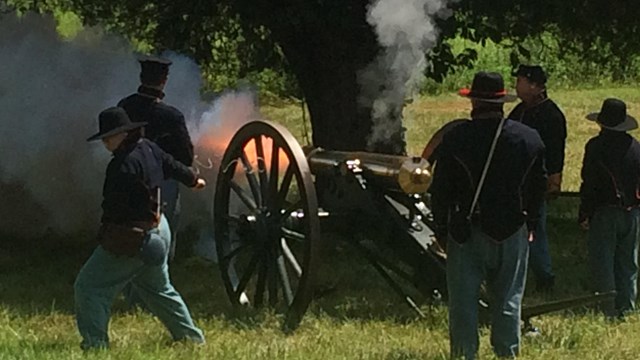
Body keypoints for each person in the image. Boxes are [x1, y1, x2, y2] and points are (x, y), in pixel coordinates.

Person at [429, 72, 547, 359]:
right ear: (501, 102)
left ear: (474, 102)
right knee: (509, 301)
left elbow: (441, 190)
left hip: (468, 233)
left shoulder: (455, 139)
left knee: (463, 306)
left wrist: (441, 230)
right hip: (513, 230)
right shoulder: (529, 139)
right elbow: (537, 188)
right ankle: (507, 354)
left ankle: (465, 355)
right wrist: (531, 223)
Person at [74, 107, 206, 350]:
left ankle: (95, 346)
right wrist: (192, 179)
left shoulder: (122, 166)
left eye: (108, 137)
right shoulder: (148, 147)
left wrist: (106, 236)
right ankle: (192, 340)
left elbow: (114, 209)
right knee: (159, 289)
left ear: (123, 134)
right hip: (159, 229)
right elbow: (171, 164)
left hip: (134, 238)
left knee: (89, 286)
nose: (105, 142)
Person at [118, 55, 194, 261]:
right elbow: (186, 157)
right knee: (161, 241)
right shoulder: (172, 116)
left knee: (128, 237)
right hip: (161, 185)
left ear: (142, 77)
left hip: (126, 179)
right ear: (164, 80)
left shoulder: (124, 106)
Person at [578, 98, 640, 319]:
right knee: (628, 263)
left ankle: (607, 307)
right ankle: (627, 306)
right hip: (632, 211)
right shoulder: (636, 148)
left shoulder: (595, 147)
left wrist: (585, 212)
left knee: (603, 261)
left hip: (604, 211)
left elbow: (590, 182)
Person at [509, 64, 567, 293]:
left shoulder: (552, 115)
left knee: (536, 229)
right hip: (515, 179)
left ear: (534, 86)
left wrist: (554, 180)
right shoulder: (519, 111)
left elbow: (556, 151)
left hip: (536, 180)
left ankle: (545, 276)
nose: (516, 86)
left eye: (520, 81)